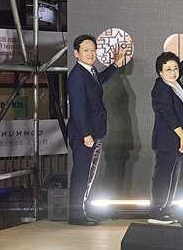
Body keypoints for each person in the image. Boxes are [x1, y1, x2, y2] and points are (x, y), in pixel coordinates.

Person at [67, 33, 125, 226]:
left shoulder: (89, 71)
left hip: (93, 132)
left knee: (88, 174)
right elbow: (78, 108)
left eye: (93, 50)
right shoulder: (77, 75)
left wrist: (115, 65)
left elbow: (101, 78)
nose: (91, 54)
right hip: (84, 134)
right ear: (76, 53)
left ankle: (82, 209)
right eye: (86, 50)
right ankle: (76, 213)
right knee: (81, 174)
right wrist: (86, 134)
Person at [148, 42, 183, 224]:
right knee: (163, 177)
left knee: (172, 177)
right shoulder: (162, 88)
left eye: (175, 68)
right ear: (160, 72)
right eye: (168, 69)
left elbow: (179, 70)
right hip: (168, 140)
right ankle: (156, 212)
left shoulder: (173, 82)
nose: (173, 72)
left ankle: (165, 208)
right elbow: (168, 115)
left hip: (175, 141)